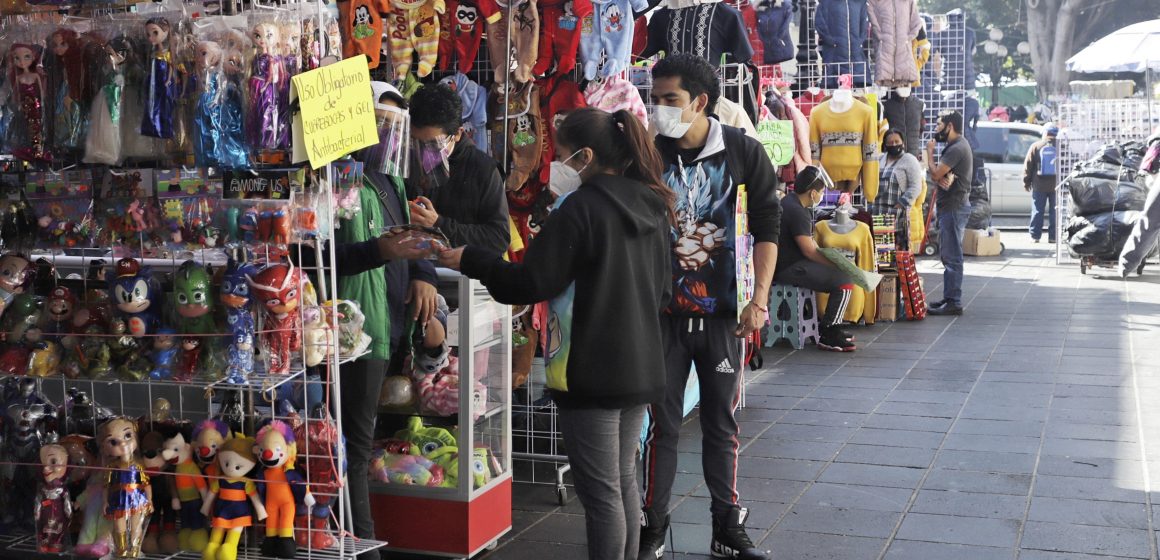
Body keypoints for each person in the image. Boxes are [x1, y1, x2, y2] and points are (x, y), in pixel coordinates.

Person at [437, 108, 673, 560]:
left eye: (561, 155)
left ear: (585, 156)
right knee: (622, 482)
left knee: (602, 493)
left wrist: (473, 259)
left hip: (591, 369)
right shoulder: (652, 205)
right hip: (642, 363)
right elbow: (663, 290)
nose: (554, 167)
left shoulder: (578, 208)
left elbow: (530, 284)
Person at [641, 53, 780, 560]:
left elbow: (769, 225)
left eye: (669, 100)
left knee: (722, 422)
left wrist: (759, 301)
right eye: (653, 100)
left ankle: (727, 523)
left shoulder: (742, 150)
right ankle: (652, 527)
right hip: (660, 317)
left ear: (700, 102)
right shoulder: (647, 153)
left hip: (723, 315)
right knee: (662, 427)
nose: (659, 110)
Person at [293, 82, 435, 557]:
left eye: (393, 123)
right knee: (345, 442)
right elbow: (307, 254)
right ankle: (360, 544)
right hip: (343, 329)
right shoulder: (328, 180)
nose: (384, 133)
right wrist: (380, 251)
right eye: (377, 120)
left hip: (383, 324)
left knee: (360, 437)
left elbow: (407, 236)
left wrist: (423, 269)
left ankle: (354, 537)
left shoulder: (389, 180)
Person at [405, 83, 510, 254]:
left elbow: (498, 238)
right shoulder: (403, 160)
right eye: (415, 142)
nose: (423, 153)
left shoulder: (483, 170)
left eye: (433, 144)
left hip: (461, 274)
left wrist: (438, 223)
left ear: (458, 134)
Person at [775, 165, 857, 352]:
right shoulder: (796, 211)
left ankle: (832, 326)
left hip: (790, 263)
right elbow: (809, 251)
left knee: (840, 274)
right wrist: (838, 264)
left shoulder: (790, 202)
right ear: (812, 193)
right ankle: (829, 331)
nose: (821, 196)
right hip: (790, 267)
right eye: (820, 192)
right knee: (845, 281)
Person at [925, 111, 974, 316]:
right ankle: (949, 297)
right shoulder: (955, 146)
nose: (936, 129)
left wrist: (929, 153)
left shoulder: (956, 148)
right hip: (952, 207)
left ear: (950, 126)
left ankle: (953, 301)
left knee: (952, 256)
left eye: (938, 125)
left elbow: (936, 174)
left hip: (953, 208)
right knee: (948, 254)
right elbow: (941, 177)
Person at [872, 129, 924, 228]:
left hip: (897, 215)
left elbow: (916, 187)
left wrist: (901, 204)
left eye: (897, 141)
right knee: (877, 242)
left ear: (903, 143)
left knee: (894, 243)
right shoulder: (879, 159)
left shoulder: (909, 160)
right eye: (890, 142)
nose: (894, 144)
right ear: (885, 145)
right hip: (876, 212)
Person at [1023, 123, 1059, 243]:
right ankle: (1053, 237)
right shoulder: (1061, 146)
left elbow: (1028, 166)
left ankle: (1035, 236)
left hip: (1039, 184)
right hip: (1056, 185)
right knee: (1055, 211)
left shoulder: (1036, 146)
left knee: (1038, 210)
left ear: (1045, 132)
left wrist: (1026, 182)